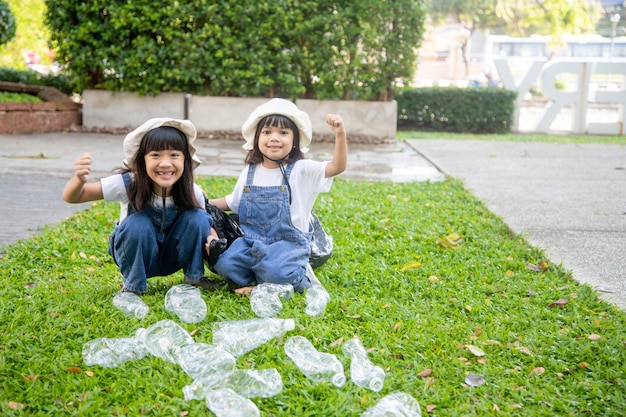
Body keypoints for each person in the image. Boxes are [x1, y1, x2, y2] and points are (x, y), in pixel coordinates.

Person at [62, 118, 219, 294]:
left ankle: (194, 278)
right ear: (142, 160)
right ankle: (133, 287)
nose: (165, 163)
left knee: (197, 217)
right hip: (137, 256)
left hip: (173, 257)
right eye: (155, 155)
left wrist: (213, 240)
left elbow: (206, 224)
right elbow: (74, 197)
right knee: (137, 223)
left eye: (174, 154)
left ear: (185, 160)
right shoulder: (128, 183)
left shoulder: (191, 190)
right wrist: (78, 180)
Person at [207, 98, 347, 293]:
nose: (274, 138)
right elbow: (232, 202)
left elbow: (336, 167)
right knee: (225, 264)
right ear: (256, 139)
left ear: (295, 141)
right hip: (250, 242)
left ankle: (294, 274)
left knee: (279, 272)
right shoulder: (250, 171)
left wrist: (340, 134)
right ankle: (263, 280)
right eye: (267, 132)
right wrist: (200, 202)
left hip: (287, 244)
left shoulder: (302, 170)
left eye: (283, 133)